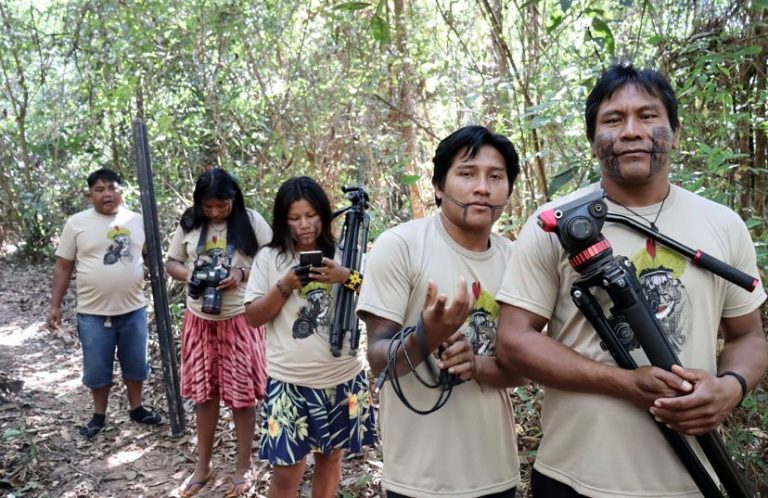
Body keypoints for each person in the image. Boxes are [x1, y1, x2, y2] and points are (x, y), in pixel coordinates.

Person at [496, 62, 768, 497]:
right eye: (613, 120)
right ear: (593, 141)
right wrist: (625, 383)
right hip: (574, 477)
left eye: (647, 115)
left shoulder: (722, 225)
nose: (630, 131)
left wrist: (729, 388)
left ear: (675, 132)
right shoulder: (554, 223)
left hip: (692, 480)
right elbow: (513, 341)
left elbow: (748, 336)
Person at [357, 125, 526, 498]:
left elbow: (524, 369)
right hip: (420, 479)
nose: (482, 188)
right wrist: (427, 335)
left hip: (497, 473)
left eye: (495, 177)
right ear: (437, 186)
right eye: (466, 174)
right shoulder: (400, 246)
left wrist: (476, 364)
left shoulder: (515, 259)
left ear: (508, 189)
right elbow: (380, 361)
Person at [243, 176, 376, 498]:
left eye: (311, 215)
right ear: (282, 220)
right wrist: (286, 285)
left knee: (330, 461)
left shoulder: (348, 253)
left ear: (324, 215)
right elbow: (253, 316)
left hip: (342, 377)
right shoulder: (270, 258)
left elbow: (379, 296)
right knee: (287, 472)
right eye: (294, 217)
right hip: (290, 381)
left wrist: (345, 277)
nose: (304, 225)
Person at [165, 168, 270, 498]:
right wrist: (192, 274)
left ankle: (244, 465)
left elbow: (274, 260)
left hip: (240, 317)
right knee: (204, 394)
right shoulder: (190, 222)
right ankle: (203, 466)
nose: (214, 212)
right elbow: (172, 262)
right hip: (199, 320)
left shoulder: (251, 221)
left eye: (221, 206)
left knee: (242, 396)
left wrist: (241, 273)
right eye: (207, 206)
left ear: (233, 198)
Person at [46, 168, 162, 439]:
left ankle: (137, 408)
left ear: (122, 191)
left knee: (136, 364)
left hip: (133, 308)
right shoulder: (76, 223)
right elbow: (63, 266)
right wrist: (55, 305)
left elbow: (150, 258)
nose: (107, 194)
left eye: (112, 188)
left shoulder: (137, 220)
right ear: (90, 196)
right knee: (97, 368)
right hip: (93, 312)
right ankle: (99, 415)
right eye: (99, 189)